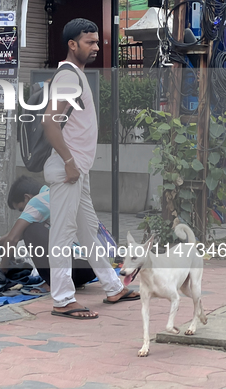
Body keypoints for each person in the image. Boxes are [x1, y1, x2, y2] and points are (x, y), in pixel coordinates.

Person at [42, 19, 139, 319]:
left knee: (89, 231)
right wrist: (70, 163)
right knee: (62, 233)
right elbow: (49, 123)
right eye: (89, 42)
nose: (96, 47)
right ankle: (62, 298)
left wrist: (76, 166)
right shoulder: (68, 76)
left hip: (76, 169)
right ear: (72, 45)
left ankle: (113, 287)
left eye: (97, 41)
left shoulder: (76, 76)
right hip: (68, 168)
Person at [0, 175, 133, 297]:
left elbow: (13, 238)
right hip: (96, 268)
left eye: (21, 209)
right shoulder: (55, 194)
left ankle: (53, 283)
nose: (23, 212)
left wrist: (2, 271)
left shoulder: (36, 202)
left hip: (78, 268)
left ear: (27, 197)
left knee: (30, 231)